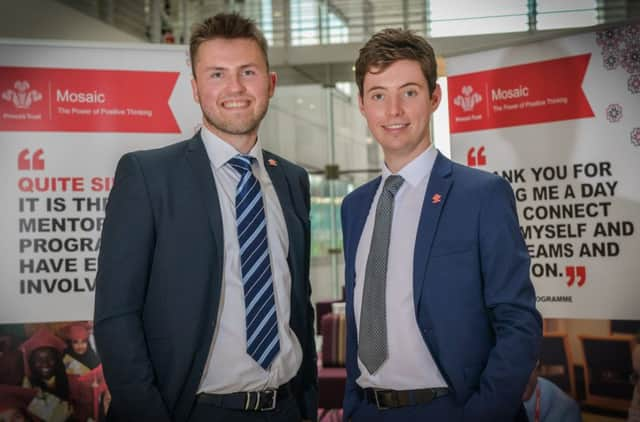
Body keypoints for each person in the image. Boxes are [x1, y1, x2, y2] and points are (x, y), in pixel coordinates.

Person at [93, 12, 317, 422]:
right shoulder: (148, 177)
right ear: (195, 89)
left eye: (248, 71)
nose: (234, 87)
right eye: (217, 74)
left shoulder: (292, 180)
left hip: (285, 407)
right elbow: (115, 317)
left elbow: (298, 303)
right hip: (194, 411)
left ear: (270, 83)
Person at [340, 28, 542, 421]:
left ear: (435, 97)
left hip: (452, 409)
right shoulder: (354, 207)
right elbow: (358, 319)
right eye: (378, 95)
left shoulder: (482, 195)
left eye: (409, 92)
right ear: (363, 106)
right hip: (368, 410)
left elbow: (519, 322)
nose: (393, 110)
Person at [19, 328, 73, 421]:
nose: (45, 364)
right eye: (38, 360)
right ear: (32, 362)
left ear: (57, 360)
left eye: (50, 358)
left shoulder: (72, 378)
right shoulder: (28, 387)